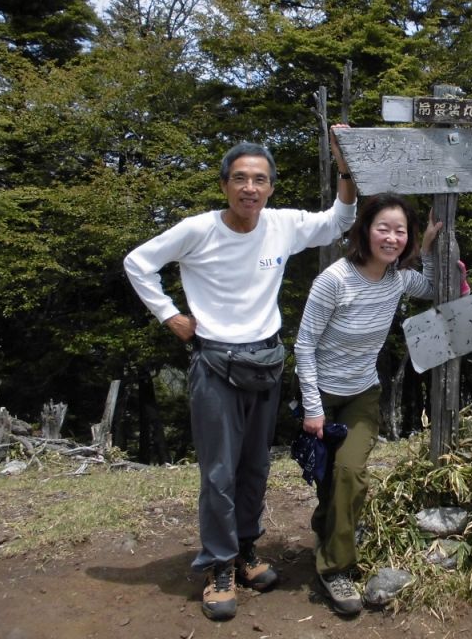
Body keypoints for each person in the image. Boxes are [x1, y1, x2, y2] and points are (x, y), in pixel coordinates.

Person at [123, 130, 357, 621]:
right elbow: (138, 262)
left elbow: (339, 221)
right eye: (240, 179)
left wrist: (345, 168)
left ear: (271, 187)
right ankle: (218, 566)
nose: (250, 188)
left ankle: (246, 550)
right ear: (225, 185)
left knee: (255, 466)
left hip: (266, 360)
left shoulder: (282, 225)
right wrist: (169, 315)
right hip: (215, 362)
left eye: (260, 180)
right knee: (219, 472)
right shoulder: (198, 230)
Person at [294, 194, 441, 615]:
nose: (392, 238)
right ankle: (328, 534)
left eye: (401, 231)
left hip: (362, 393)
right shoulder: (334, 280)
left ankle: (335, 570)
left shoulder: (397, 279)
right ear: (364, 230)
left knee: (349, 473)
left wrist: (427, 247)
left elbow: (430, 287)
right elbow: (304, 346)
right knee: (329, 480)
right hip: (322, 393)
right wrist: (312, 408)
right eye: (384, 228)